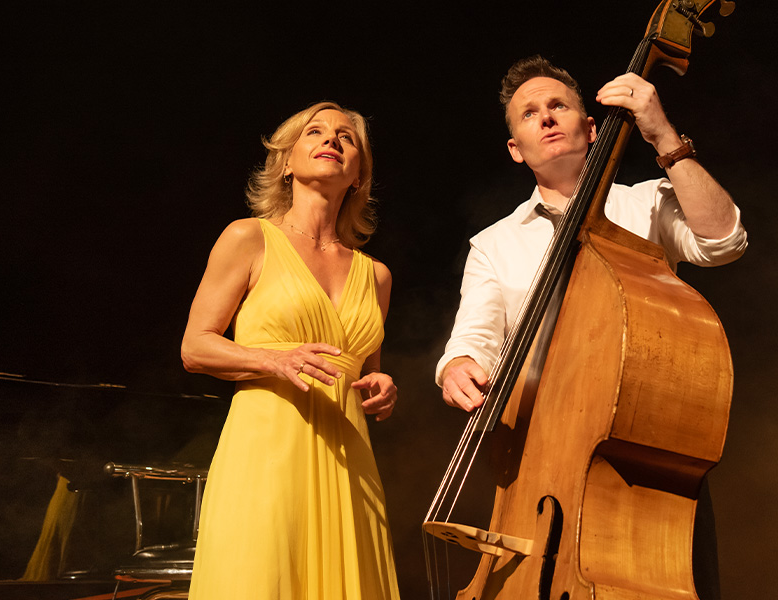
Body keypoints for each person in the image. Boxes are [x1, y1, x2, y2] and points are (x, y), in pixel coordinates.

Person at [435, 56, 748, 599]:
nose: (547, 118)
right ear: (516, 148)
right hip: (544, 466)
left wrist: (662, 134)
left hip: (641, 454)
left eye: (559, 105)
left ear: (592, 127)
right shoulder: (493, 245)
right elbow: (473, 340)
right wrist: (457, 367)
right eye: (529, 114)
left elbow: (724, 241)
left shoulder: (646, 202)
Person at [181, 101, 399, 599]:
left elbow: (367, 369)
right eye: (314, 132)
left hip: (349, 461)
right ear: (285, 162)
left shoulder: (377, 275)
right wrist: (271, 359)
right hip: (268, 453)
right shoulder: (248, 238)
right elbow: (195, 347)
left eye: (346, 137)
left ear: (359, 172)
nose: (331, 140)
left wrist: (383, 387)